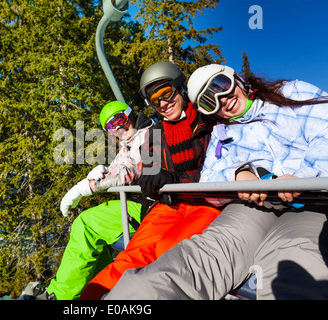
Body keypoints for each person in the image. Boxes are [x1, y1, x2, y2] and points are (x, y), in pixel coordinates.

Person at [103, 64, 328, 300]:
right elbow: (206, 175)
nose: (222, 100)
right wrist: (239, 174)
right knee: (183, 260)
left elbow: (324, 127)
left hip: (309, 200)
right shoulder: (164, 133)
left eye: (221, 86)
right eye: (210, 102)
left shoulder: (284, 95)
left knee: (290, 262)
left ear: (235, 78)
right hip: (213, 205)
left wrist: (304, 176)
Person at [79, 61, 221, 300]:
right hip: (167, 206)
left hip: (205, 204)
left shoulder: (208, 122)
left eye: (166, 93)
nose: (163, 104)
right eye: (155, 100)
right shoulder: (155, 134)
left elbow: (219, 168)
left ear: (181, 88)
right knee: (131, 255)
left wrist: (177, 178)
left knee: (169, 249)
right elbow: (147, 169)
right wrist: (151, 178)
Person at [44, 101, 155, 300]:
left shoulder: (149, 135)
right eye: (111, 128)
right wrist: (99, 173)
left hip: (148, 206)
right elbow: (117, 167)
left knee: (86, 224)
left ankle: (60, 296)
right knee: (90, 230)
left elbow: (129, 170)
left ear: (129, 116)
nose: (119, 129)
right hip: (139, 205)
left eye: (120, 120)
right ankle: (95, 292)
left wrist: (84, 188)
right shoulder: (130, 142)